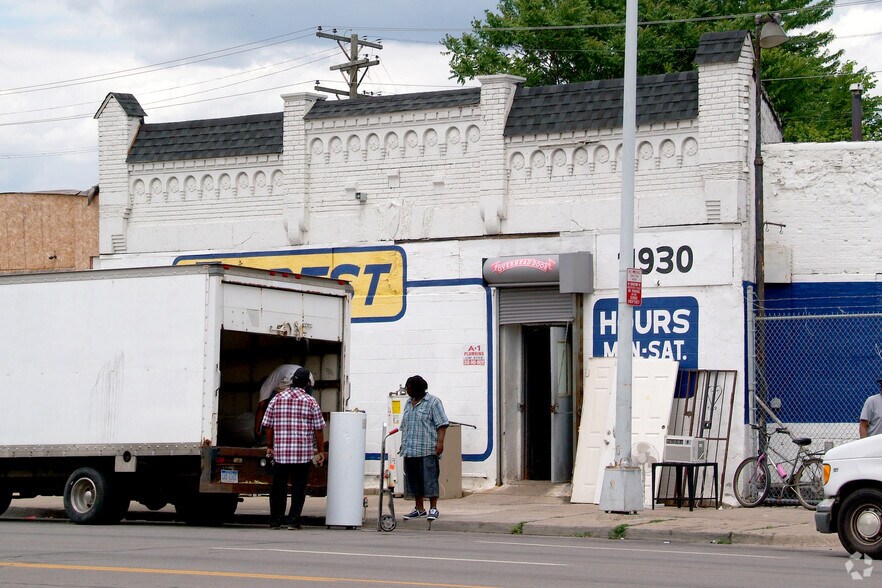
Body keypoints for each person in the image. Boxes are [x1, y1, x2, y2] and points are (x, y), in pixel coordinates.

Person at [261, 367, 325, 529]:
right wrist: (320, 450)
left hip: (281, 454)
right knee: (298, 488)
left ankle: (275, 521)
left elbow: (267, 425)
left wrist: (269, 446)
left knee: (278, 488)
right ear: (307, 384)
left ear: (292, 381)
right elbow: (318, 429)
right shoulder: (310, 401)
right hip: (302, 455)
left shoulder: (277, 399)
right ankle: (293, 521)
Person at [399, 375, 449, 521]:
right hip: (410, 450)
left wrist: (440, 442)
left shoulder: (433, 402)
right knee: (414, 481)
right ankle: (419, 508)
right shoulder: (408, 403)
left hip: (427, 449)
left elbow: (442, 424)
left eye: (409, 388)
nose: (407, 391)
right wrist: (404, 443)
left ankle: (433, 508)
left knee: (430, 479)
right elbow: (405, 425)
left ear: (417, 388)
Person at [254, 364, 304, 445]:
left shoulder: (266, 386)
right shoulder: (275, 379)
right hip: (308, 377)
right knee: (303, 408)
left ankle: (265, 440)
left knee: (270, 409)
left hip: (290, 377)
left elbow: (261, 408)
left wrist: (256, 429)